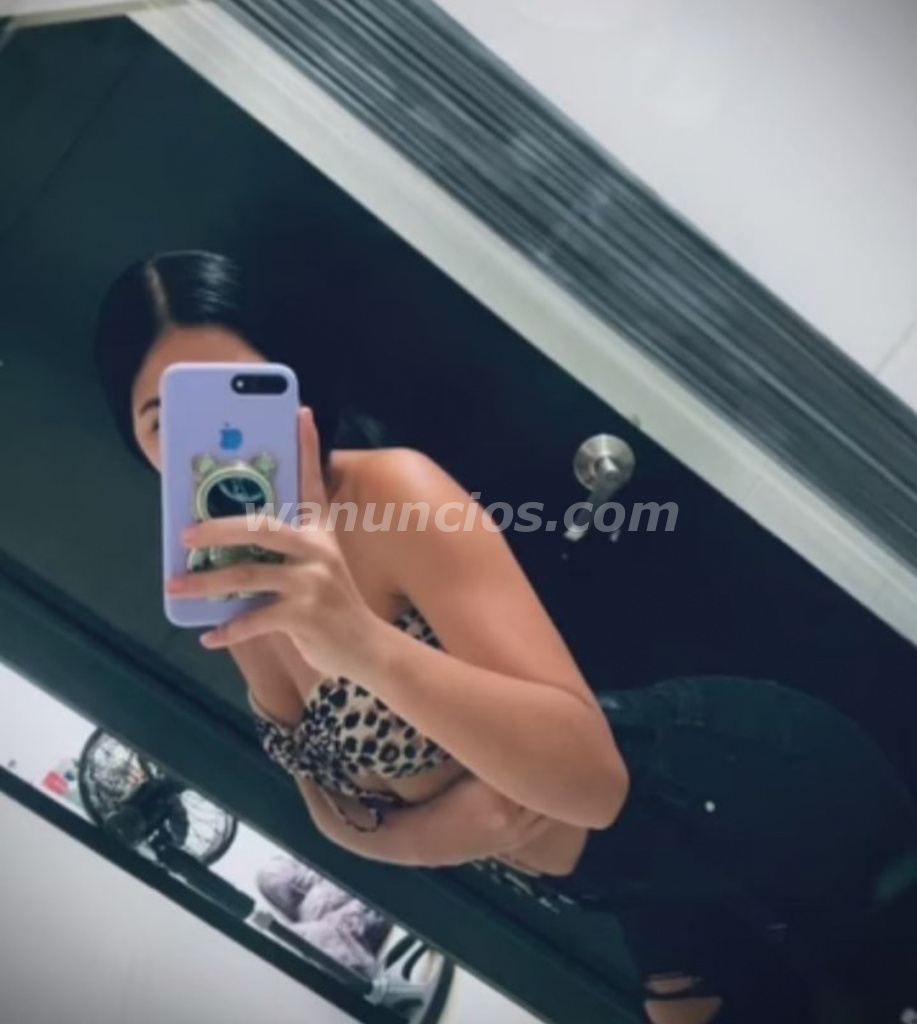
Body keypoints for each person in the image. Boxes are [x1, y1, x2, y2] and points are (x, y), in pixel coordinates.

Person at [95, 250, 917, 1024]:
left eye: (233, 396)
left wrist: (360, 646)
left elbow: (591, 780)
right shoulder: (225, 588)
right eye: (166, 421)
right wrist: (428, 838)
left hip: (729, 792)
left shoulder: (394, 494)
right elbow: (327, 807)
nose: (213, 442)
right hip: (620, 883)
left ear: (289, 390)